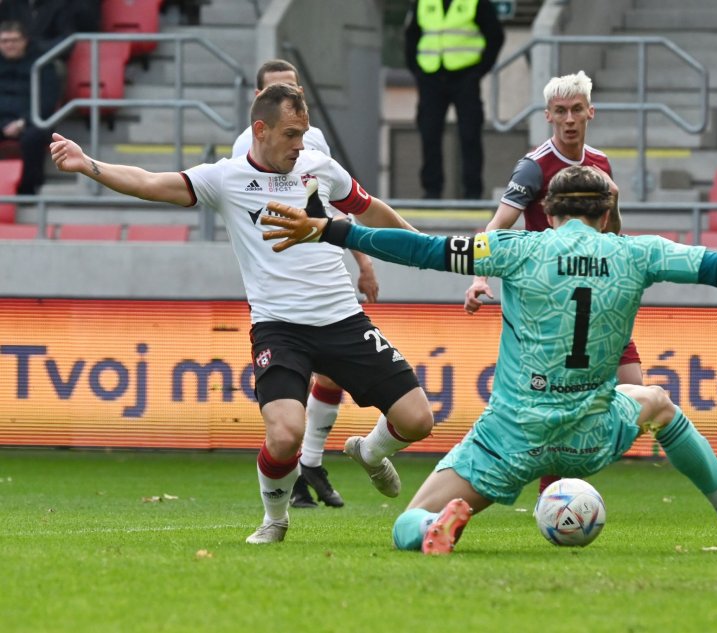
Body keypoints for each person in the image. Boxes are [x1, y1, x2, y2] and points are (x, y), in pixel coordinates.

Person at [259, 164, 717, 554]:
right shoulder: (637, 253)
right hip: (591, 431)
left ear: (548, 212)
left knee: (405, 523)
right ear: (605, 214)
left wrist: (332, 230)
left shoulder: (516, 249)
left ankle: (434, 526)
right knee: (657, 402)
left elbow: (420, 251)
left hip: (510, 438)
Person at [49, 83, 436, 544]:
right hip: (280, 328)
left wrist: (428, 248)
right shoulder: (225, 178)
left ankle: (369, 452)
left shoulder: (319, 167)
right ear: (261, 129)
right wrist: (87, 164)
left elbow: (370, 210)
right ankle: (275, 519)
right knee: (286, 434)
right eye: (291, 134)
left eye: (304, 133)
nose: (300, 145)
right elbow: (150, 183)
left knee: (418, 421)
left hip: (343, 320)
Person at [464, 70, 643, 494]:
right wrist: (478, 277)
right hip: (551, 302)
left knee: (636, 394)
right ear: (547, 115)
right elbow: (497, 227)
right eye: (560, 111)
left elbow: (610, 233)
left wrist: (616, 207)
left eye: (576, 110)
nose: (569, 119)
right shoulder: (534, 167)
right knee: (555, 405)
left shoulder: (600, 164)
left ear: (590, 112)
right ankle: (546, 491)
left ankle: (560, 483)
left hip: (596, 297)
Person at [231, 59, 381, 510]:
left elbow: (336, 204)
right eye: (278, 90)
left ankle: (311, 463)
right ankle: (294, 472)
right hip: (284, 284)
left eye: (295, 89)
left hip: (325, 271)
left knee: (331, 373)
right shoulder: (247, 149)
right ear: (259, 102)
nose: (291, 98)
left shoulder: (312, 141)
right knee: (288, 407)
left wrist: (363, 261)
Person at [403, 0, 504, 199]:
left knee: (470, 134)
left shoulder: (475, 2)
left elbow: (495, 36)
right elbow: (411, 36)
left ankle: (472, 192)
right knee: (429, 133)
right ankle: (431, 191)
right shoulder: (423, 2)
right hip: (431, 77)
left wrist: (478, 71)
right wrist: (418, 71)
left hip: (465, 76)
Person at [0, 19, 58, 195]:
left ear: (25, 41)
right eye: (4, 41)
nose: (9, 45)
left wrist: (22, 122)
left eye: (14, 40)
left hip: (32, 121)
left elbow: (47, 101)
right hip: (2, 119)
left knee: (33, 138)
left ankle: (28, 190)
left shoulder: (43, 64)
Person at [0, 0, 100, 54]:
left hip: (45, 59)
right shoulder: (9, 5)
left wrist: (32, 47)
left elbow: (66, 39)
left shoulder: (60, 4)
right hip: (8, 59)